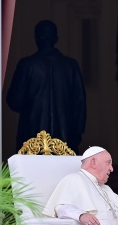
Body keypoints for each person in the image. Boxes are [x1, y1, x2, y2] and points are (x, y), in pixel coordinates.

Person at [7, 20, 86, 154]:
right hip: (65, 139)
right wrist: (76, 135)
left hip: (32, 140)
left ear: (36, 38)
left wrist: (32, 103)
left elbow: (14, 102)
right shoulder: (71, 66)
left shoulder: (26, 65)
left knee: (32, 174)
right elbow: (80, 105)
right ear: (56, 39)